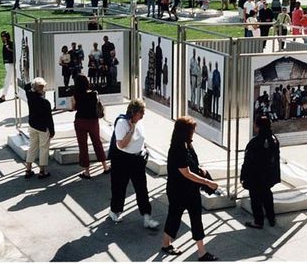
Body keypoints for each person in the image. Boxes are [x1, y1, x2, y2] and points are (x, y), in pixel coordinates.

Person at [160, 116, 219, 261]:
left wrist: (200, 170)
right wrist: (207, 182)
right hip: (181, 191)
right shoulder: (178, 149)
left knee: (185, 217)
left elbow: (192, 164)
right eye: (192, 130)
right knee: (178, 217)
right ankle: (200, 252)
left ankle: (170, 245)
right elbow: (186, 173)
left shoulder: (185, 144)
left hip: (183, 189)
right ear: (185, 132)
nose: (193, 133)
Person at [108, 99, 160, 229]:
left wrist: (144, 149)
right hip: (122, 160)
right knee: (120, 187)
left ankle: (147, 216)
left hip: (137, 160)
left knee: (142, 189)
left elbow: (141, 139)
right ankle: (115, 211)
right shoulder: (122, 123)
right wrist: (131, 130)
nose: (143, 115)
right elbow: (121, 145)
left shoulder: (139, 122)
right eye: (141, 112)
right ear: (134, 112)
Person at [240, 116, 281, 229]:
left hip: (256, 177)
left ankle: (258, 221)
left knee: (256, 199)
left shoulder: (255, 142)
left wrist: (243, 175)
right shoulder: (274, 139)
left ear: (258, 127)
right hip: (268, 176)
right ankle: (271, 218)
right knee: (267, 196)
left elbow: (248, 161)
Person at [72, 75, 110, 179]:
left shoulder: (76, 95)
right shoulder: (94, 94)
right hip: (93, 121)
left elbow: (73, 107)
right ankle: (105, 166)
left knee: (83, 146)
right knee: (97, 143)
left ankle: (87, 172)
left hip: (80, 121)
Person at [24, 77, 54, 179]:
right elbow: (49, 119)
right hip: (43, 128)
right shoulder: (45, 102)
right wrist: (52, 131)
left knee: (32, 147)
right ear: (41, 89)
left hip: (32, 125)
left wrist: (34, 83)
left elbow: (26, 86)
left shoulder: (30, 96)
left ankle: (28, 169)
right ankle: (42, 171)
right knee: (43, 148)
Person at [0, 31, 14, 103]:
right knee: (13, 80)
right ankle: (17, 93)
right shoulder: (5, 44)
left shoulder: (11, 44)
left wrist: (9, 49)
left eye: (4, 37)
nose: (3, 38)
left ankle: (3, 95)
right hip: (7, 63)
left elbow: (15, 51)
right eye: (2, 37)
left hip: (11, 63)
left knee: (7, 79)